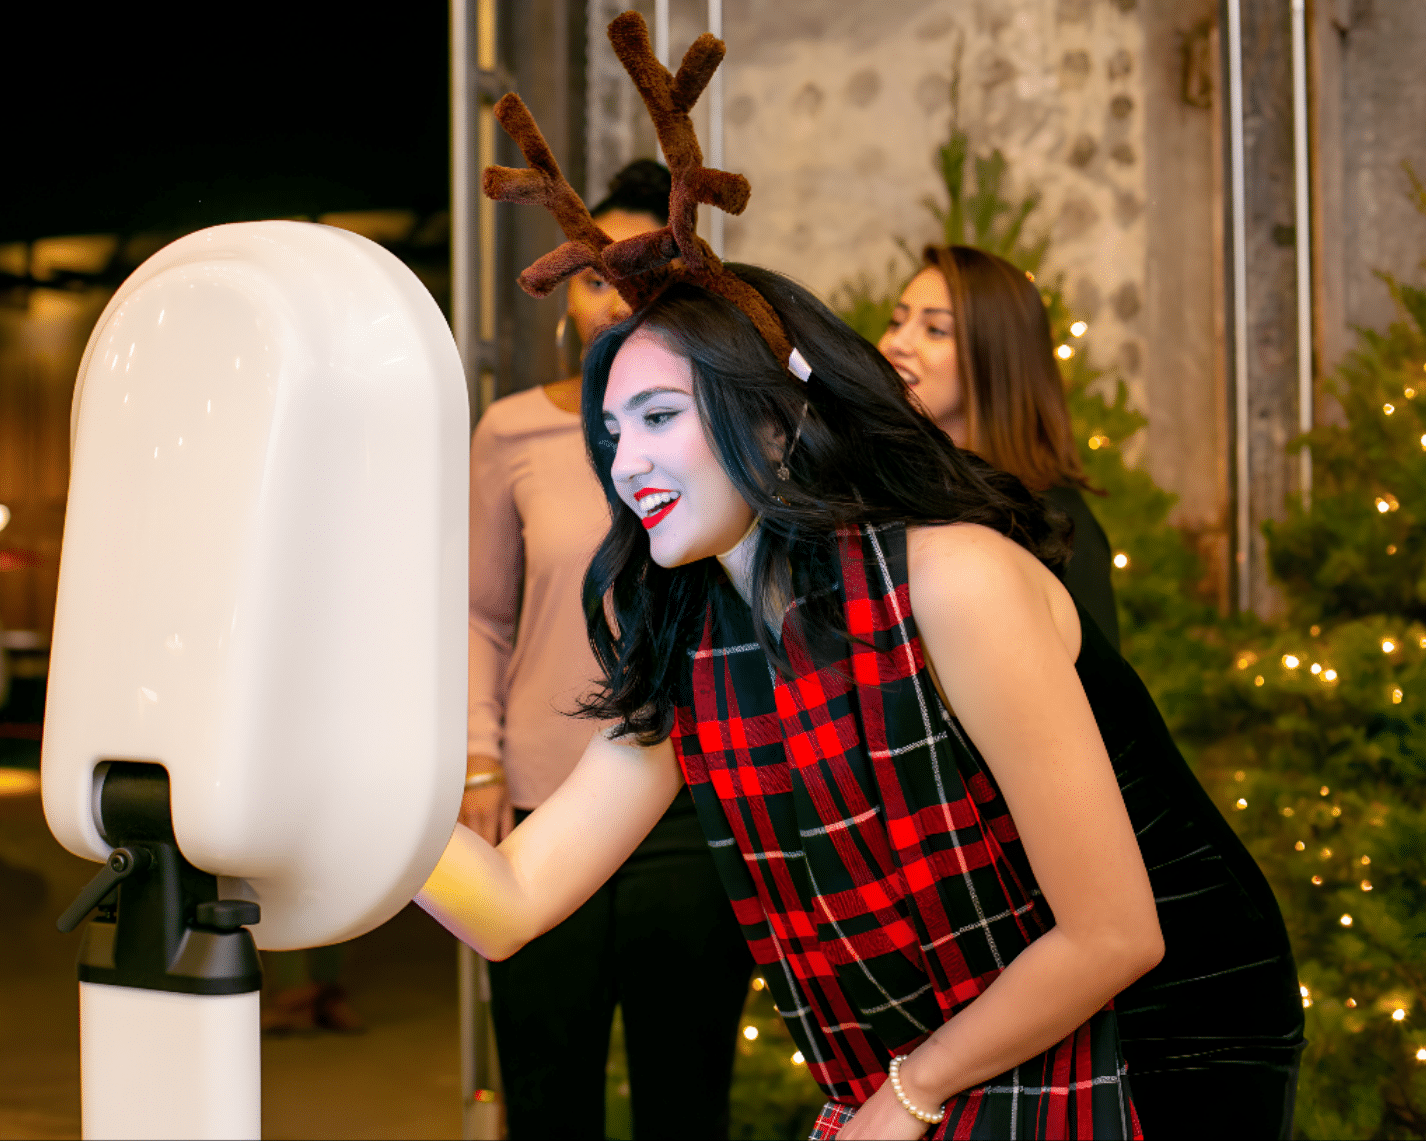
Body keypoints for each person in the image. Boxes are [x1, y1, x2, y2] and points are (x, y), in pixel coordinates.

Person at [425, 14, 1304, 1139]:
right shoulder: (699, 644)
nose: (625, 462)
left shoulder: (954, 581)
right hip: (958, 1027)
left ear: (774, 425)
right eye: (611, 431)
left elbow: (1116, 931)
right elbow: (508, 902)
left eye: (656, 417)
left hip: (1171, 1025)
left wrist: (907, 1092)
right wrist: (332, 801)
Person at [462, 158, 752, 1140]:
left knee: (685, 1094)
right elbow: (478, 610)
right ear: (560, 283)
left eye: (638, 268)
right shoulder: (509, 433)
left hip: (691, 800)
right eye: (593, 272)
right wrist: (477, 754)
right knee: (547, 1094)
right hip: (544, 797)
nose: (614, 294)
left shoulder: (724, 429)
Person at [879, 246, 1120, 650]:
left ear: (994, 355)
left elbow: (1100, 701)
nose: (895, 343)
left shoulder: (1055, 524)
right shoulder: (890, 491)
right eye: (896, 321)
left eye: (935, 330)